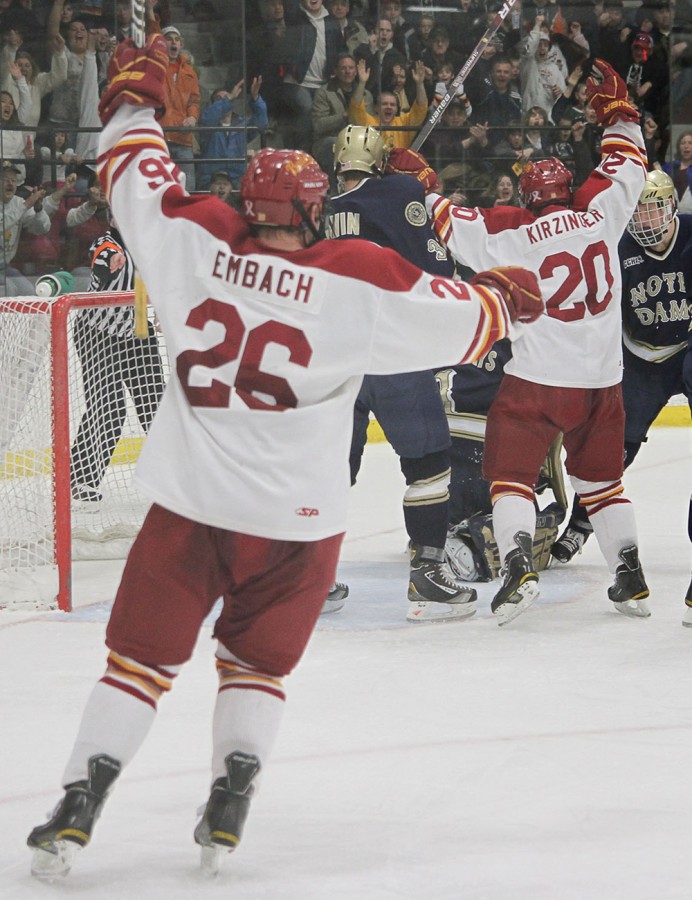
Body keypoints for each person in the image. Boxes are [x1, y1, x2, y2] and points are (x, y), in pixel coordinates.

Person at [26, 33, 544, 879]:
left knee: (138, 664)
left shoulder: (197, 239)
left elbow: (133, 169)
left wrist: (134, 101)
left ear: (244, 195)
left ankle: (80, 800)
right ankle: (233, 789)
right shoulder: (356, 276)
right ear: (314, 209)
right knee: (255, 665)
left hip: (191, 506)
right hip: (299, 526)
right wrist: (503, 299)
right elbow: (467, 316)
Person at [405, 59, 652, 625]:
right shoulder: (599, 210)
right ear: (566, 186)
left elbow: (441, 220)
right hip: (603, 383)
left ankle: (518, 565)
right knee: (603, 482)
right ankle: (630, 574)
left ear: (527, 192)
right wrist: (618, 112)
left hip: (539, 382)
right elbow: (628, 160)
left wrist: (414, 180)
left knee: (510, 476)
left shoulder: (511, 230)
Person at [326, 123, 475, 622]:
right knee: (429, 463)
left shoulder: (325, 209)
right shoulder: (400, 191)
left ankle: (305, 573)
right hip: (393, 354)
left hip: (335, 360)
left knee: (326, 471)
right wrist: (418, 188)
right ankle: (429, 572)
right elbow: (436, 270)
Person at [551, 170, 692, 566]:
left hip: (688, 348)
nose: (642, 218)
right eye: (636, 210)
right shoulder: (616, 244)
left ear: (669, 206)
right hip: (642, 358)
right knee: (614, 446)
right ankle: (581, 522)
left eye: (650, 209)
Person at [67, 210, 166, 502]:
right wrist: (111, 264)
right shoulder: (107, 243)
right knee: (108, 411)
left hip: (136, 327)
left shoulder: (149, 243)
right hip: (98, 333)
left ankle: (171, 480)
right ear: (113, 218)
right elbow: (101, 258)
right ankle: (80, 479)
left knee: (156, 408)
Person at [197, 77, 267, 190]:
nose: (225, 101)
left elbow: (261, 124)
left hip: (236, 178)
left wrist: (255, 98)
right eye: (219, 99)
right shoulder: (208, 124)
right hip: (210, 179)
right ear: (213, 104)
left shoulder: (241, 124)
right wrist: (229, 98)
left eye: (227, 98)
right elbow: (207, 118)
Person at [348, 56, 428, 151]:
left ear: (397, 109)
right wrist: (362, 83)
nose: (389, 107)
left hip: (399, 164)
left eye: (392, 105)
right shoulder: (368, 121)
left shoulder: (404, 122)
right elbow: (356, 108)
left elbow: (420, 108)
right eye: (384, 104)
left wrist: (419, 84)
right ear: (376, 108)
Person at [159, 25, 200, 192]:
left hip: (183, 137)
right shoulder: (157, 67)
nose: (173, 43)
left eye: (176, 39)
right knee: (160, 186)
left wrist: (193, 117)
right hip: (161, 136)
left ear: (181, 44)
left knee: (187, 187)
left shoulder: (190, 72)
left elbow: (194, 101)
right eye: (169, 39)